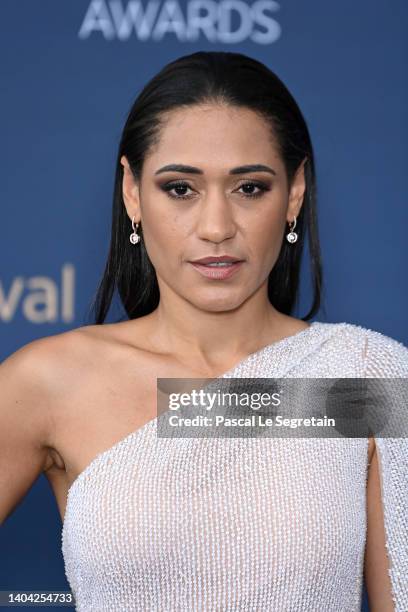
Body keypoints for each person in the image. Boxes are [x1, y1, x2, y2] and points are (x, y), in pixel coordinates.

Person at [0, 51, 407, 612]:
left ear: (294, 192)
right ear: (132, 192)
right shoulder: (51, 382)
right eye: (180, 189)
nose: (216, 227)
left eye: (250, 189)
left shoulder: (363, 378)